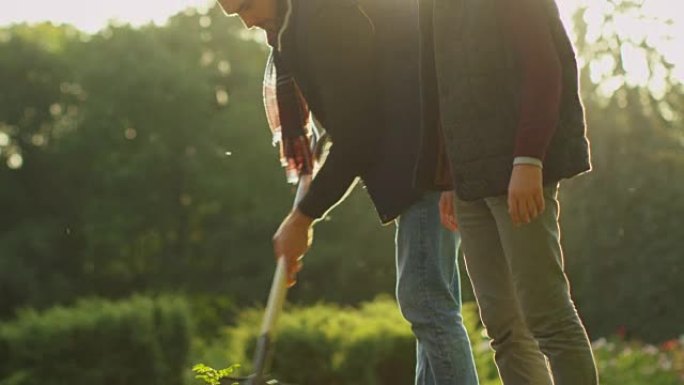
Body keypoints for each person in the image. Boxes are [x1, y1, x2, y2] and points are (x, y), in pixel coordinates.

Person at [217, 0, 479, 383]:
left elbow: (359, 137)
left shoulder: (324, 18)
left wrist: (303, 216)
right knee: (429, 304)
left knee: (427, 302)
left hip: (425, 157)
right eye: (236, 14)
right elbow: (348, 111)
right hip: (419, 159)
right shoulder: (299, 25)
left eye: (247, 7)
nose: (248, 22)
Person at [417, 0, 600, 384]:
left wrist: (529, 159)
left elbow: (544, 68)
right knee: (503, 328)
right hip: (469, 181)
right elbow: (443, 87)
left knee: (547, 316)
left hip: (518, 170)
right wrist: (449, 176)